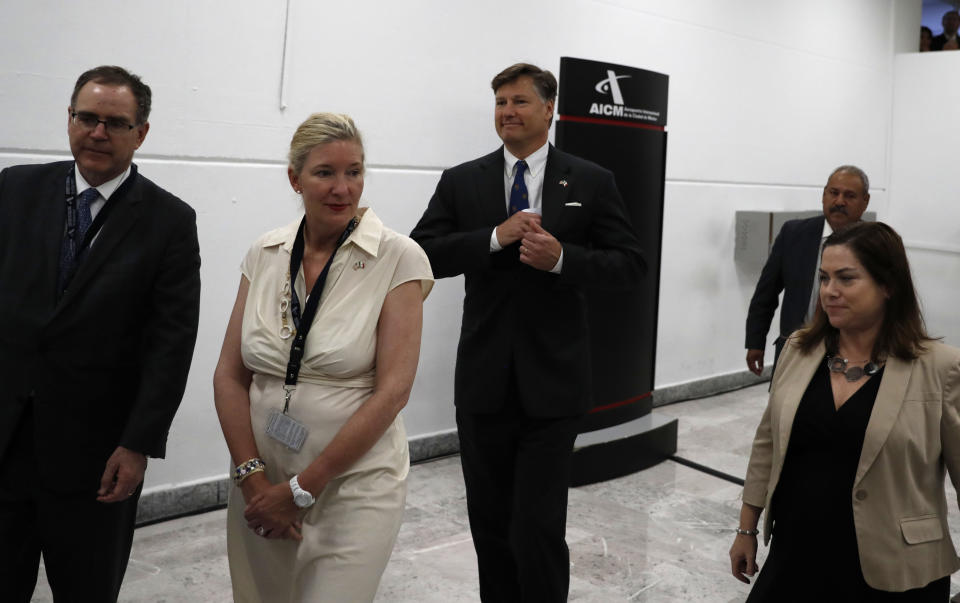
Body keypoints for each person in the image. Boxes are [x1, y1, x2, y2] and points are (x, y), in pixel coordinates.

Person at [410, 63, 645, 601]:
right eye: (499, 103)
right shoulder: (462, 180)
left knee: (536, 529)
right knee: (490, 528)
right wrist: (493, 238)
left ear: (548, 110)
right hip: (483, 384)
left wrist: (563, 258)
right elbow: (423, 252)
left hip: (554, 386)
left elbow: (629, 266)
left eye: (518, 101)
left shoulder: (590, 180)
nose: (507, 113)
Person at [0, 65, 201, 602]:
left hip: (97, 458)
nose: (97, 132)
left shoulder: (169, 221)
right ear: (68, 119)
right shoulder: (14, 190)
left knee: (86, 589)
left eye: (115, 122)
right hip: (6, 438)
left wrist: (138, 444)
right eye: (86, 117)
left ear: (141, 132)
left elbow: (171, 344)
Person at [213, 112, 433, 602]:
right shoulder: (264, 252)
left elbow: (393, 391)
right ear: (295, 178)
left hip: (354, 481)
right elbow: (229, 375)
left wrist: (300, 491)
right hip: (262, 476)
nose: (343, 188)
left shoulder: (400, 258)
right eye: (325, 173)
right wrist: (254, 481)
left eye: (354, 171)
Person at [730, 222, 960, 600]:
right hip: (797, 556)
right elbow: (767, 446)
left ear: (888, 285)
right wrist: (746, 529)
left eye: (846, 279)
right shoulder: (799, 349)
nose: (829, 292)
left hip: (895, 569)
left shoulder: (940, 368)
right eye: (823, 278)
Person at [745, 165, 870, 376]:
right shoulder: (793, 234)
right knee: (784, 408)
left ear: (865, 202)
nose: (840, 201)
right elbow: (766, 293)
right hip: (795, 350)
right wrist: (755, 341)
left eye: (849, 196)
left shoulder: (875, 244)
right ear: (823, 195)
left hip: (848, 356)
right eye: (834, 193)